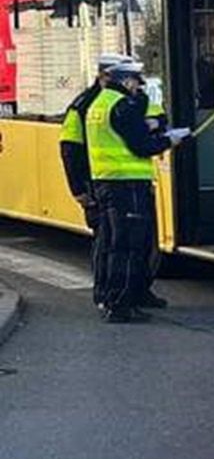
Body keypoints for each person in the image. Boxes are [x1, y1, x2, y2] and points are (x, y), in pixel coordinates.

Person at [85, 59, 183, 323]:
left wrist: (148, 127)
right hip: (127, 185)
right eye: (134, 81)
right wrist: (170, 140)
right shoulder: (122, 105)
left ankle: (113, 298)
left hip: (107, 182)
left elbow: (127, 133)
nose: (137, 86)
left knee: (116, 244)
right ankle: (121, 306)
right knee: (129, 246)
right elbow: (140, 146)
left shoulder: (100, 103)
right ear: (125, 80)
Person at [60, 54, 125, 307]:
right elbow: (69, 148)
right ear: (103, 76)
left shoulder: (121, 100)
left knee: (123, 239)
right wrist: (78, 189)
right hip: (94, 182)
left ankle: (135, 291)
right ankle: (103, 292)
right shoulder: (83, 105)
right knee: (105, 238)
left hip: (116, 180)